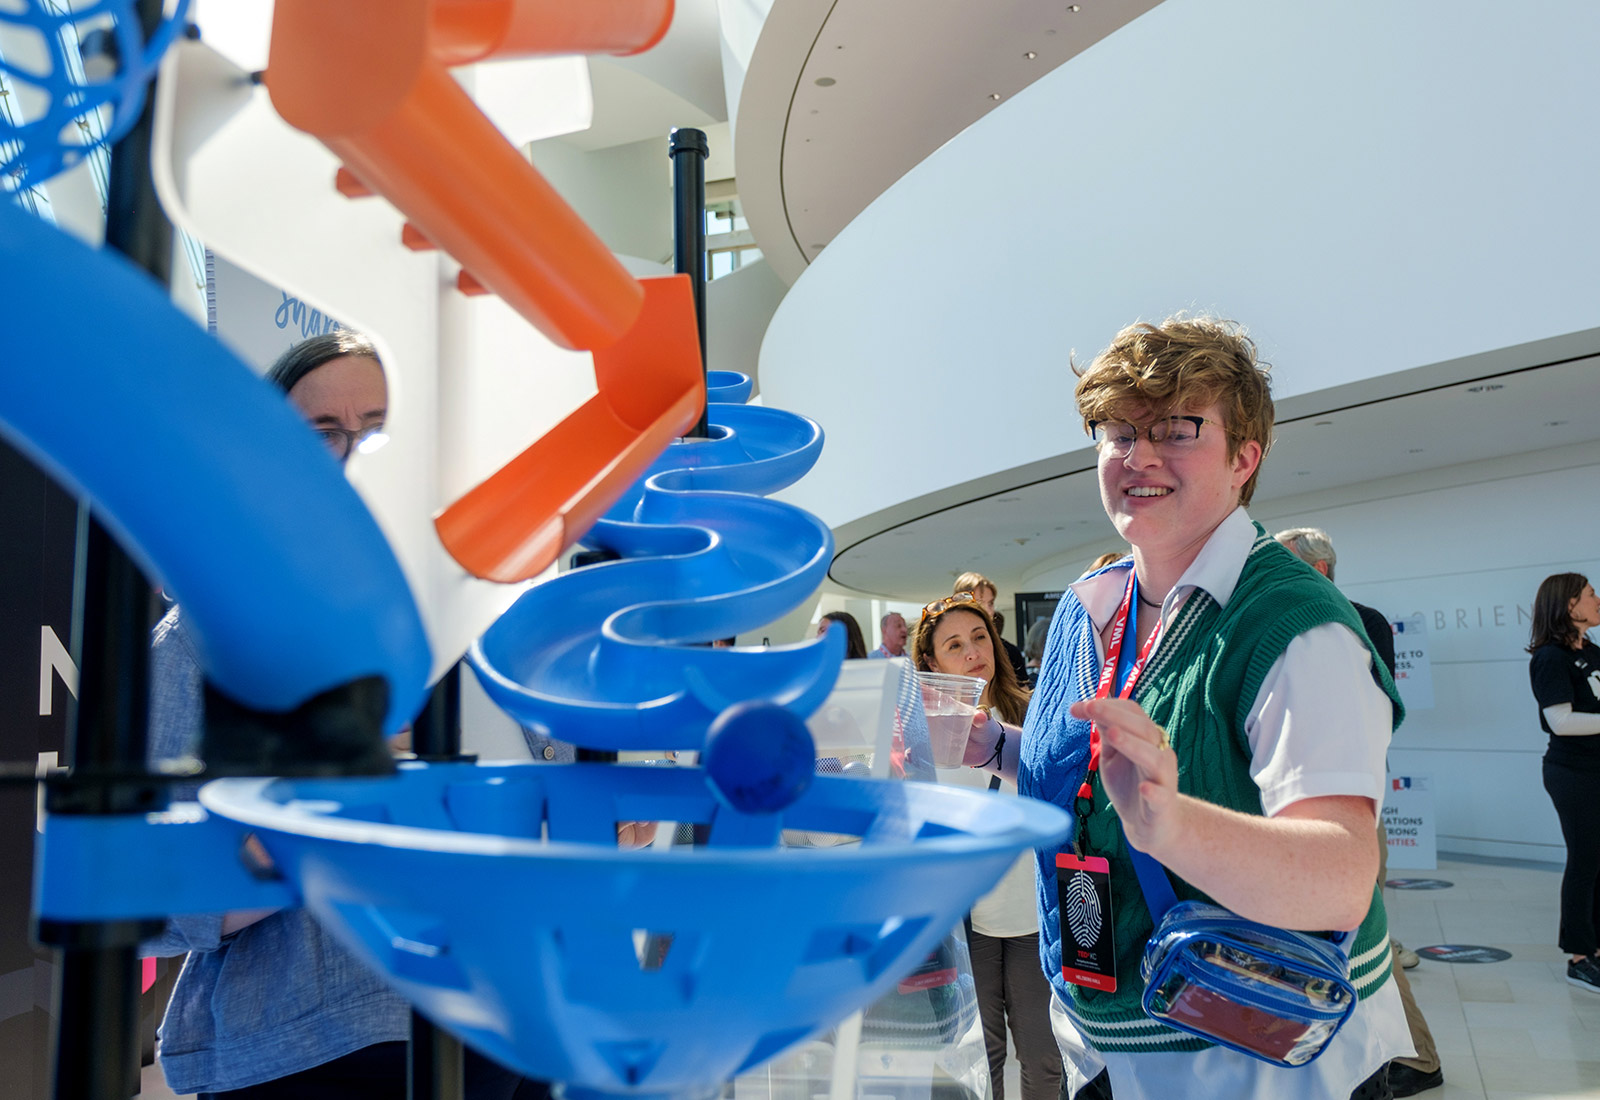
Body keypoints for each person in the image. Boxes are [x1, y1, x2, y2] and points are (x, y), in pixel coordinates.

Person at [962, 316, 1407, 1100]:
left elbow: (1339, 875)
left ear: (1245, 458)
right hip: (1098, 1044)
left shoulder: (1294, 628)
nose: (1139, 456)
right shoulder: (1090, 604)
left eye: (1177, 428)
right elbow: (1093, 781)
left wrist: (1168, 824)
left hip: (1251, 1061)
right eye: (1119, 431)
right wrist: (992, 745)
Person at [144, 332, 542, 1100]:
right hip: (315, 1050)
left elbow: (570, 806)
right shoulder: (205, 633)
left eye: (378, 427)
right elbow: (156, 891)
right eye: (321, 430)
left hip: (513, 1015)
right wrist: (322, 803)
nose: (354, 451)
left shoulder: (498, 616)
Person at [1276, 526, 1441, 1097]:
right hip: (1306, 813)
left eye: (1283, 562)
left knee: (1363, 940)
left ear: (1318, 569)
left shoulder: (1356, 622)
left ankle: (1417, 1058)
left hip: (1345, 815)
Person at [912, 592, 1062, 1100]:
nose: (973, 651)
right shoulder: (916, 733)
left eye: (979, 637)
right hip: (961, 919)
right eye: (954, 644)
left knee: (1044, 1056)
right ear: (931, 662)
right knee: (979, 1059)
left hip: (1029, 915)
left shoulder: (1035, 715)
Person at [1526, 572, 1600, 995]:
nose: (1597, 600)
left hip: (1597, 769)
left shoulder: (1594, 653)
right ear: (1569, 605)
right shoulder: (1549, 658)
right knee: (1586, 859)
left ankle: (1596, 947)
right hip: (1572, 774)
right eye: (1590, 594)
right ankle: (1579, 957)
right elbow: (1561, 721)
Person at [953, 571, 1030, 685]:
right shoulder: (947, 648)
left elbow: (1023, 694)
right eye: (979, 602)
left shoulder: (1009, 652)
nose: (988, 610)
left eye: (990, 603)